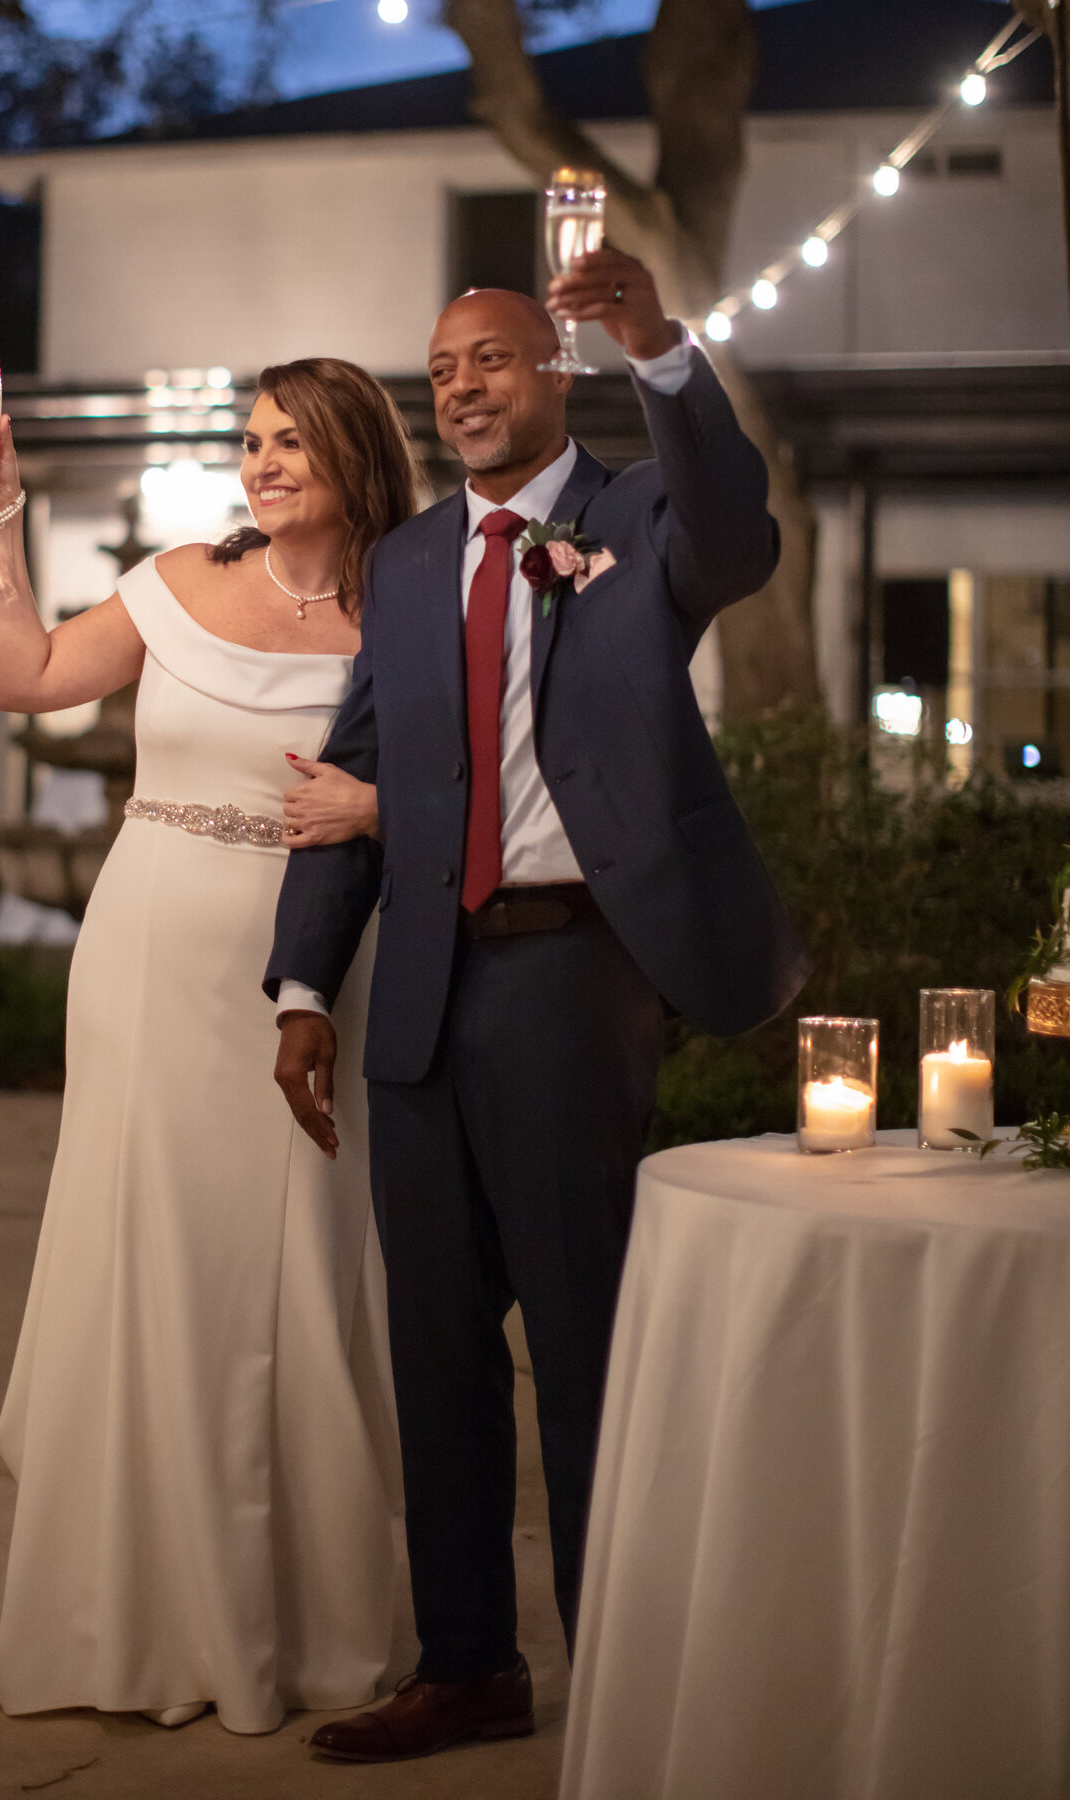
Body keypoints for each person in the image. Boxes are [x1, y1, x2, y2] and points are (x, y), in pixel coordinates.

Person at [267, 251, 812, 1761]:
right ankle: (468, 1668)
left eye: (492, 360)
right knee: (433, 1351)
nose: (461, 387)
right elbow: (346, 781)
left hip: (577, 972)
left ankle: (621, 1675)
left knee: (580, 1345)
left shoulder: (637, 515)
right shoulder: (416, 561)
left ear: (552, 373)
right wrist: (307, 984)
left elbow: (735, 531)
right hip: (424, 987)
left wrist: (663, 351)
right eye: (442, 370)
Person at [0, 357, 418, 1735]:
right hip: (150, 954)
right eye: (254, 441)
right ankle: (125, 1624)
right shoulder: (175, 581)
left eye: (293, 443)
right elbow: (24, 680)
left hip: (323, 969)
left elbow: (455, 783)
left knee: (306, 1275)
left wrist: (380, 809)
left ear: (353, 456)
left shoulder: (409, 608)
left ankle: (307, 1624)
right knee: (149, 1262)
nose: (264, 464)